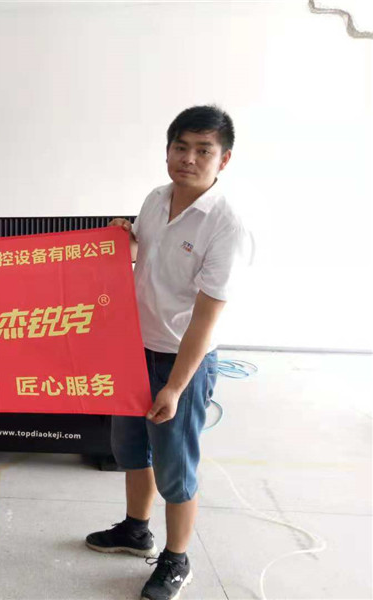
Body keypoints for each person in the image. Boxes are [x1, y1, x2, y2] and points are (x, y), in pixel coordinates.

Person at [86, 105, 249, 600]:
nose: (188, 159)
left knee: (175, 466)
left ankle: (177, 559)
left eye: (203, 150)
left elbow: (205, 318)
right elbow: (143, 258)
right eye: (181, 147)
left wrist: (176, 386)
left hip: (180, 361)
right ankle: (136, 530)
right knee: (130, 450)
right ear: (168, 150)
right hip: (131, 350)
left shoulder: (226, 226)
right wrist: (123, 240)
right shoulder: (156, 199)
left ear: (223, 160)